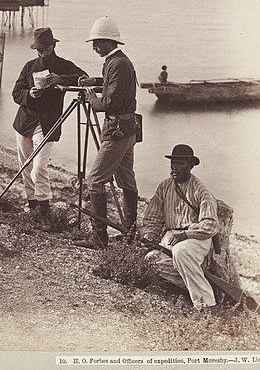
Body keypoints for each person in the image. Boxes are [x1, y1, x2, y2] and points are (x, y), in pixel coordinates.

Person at [12, 27, 87, 231]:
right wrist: (29, 94)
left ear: (53, 46)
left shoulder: (64, 66)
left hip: (48, 125)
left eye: (44, 49)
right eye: (38, 49)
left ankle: (45, 212)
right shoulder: (29, 67)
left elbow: (83, 78)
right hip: (24, 123)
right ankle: (33, 207)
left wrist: (61, 79)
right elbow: (16, 93)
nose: (41, 53)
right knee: (26, 168)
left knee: (39, 167)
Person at [76, 16, 139, 249]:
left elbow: (110, 102)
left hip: (117, 130)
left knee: (95, 180)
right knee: (126, 179)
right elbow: (114, 84)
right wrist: (95, 80)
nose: (94, 47)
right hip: (128, 128)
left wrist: (92, 97)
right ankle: (130, 234)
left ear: (109, 41)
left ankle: (99, 239)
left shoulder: (118, 64)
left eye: (97, 43)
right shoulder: (118, 62)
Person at [141, 144, 219, 310]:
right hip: (171, 237)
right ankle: (194, 286)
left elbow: (211, 225)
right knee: (151, 261)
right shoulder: (164, 186)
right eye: (173, 163)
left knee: (180, 252)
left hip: (195, 238)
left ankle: (206, 305)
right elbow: (153, 218)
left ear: (190, 166)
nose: (175, 167)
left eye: (180, 164)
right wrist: (148, 237)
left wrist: (186, 235)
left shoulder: (201, 190)